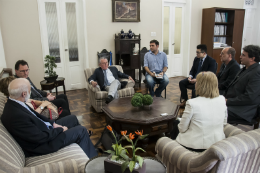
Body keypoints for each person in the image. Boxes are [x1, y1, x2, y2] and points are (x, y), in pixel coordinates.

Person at [1, 78, 98, 158]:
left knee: (72, 118)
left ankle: (85, 146)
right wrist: (60, 129)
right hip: (44, 144)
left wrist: (53, 124)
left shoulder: (15, 102)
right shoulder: (16, 115)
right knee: (80, 130)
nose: (30, 92)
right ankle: (93, 162)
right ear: (24, 94)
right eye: (30, 90)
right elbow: (39, 137)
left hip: (45, 130)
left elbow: (35, 116)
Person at [171, 72, 227, 152]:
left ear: (201, 85)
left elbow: (182, 129)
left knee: (176, 123)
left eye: (197, 82)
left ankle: (172, 149)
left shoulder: (192, 103)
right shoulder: (222, 99)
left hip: (194, 146)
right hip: (217, 143)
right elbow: (224, 123)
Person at [225, 45, 260, 124]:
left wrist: (228, 101)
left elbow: (249, 97)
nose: (240, 57)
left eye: (243, 55)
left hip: (245, 109)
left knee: (216, 111)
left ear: (252, 59)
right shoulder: (244, 69)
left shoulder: (257, 72)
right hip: (235, 103)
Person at [0, 76, 65, 117]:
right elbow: (33, 115)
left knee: (63, 98)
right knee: (64, 108)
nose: (26, 73)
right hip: (41, 116)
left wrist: (46, 95)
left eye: (27, 70)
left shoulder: (16, 99)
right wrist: (43, 104)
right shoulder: (17, 101)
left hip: (41, 109)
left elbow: (34, 96)